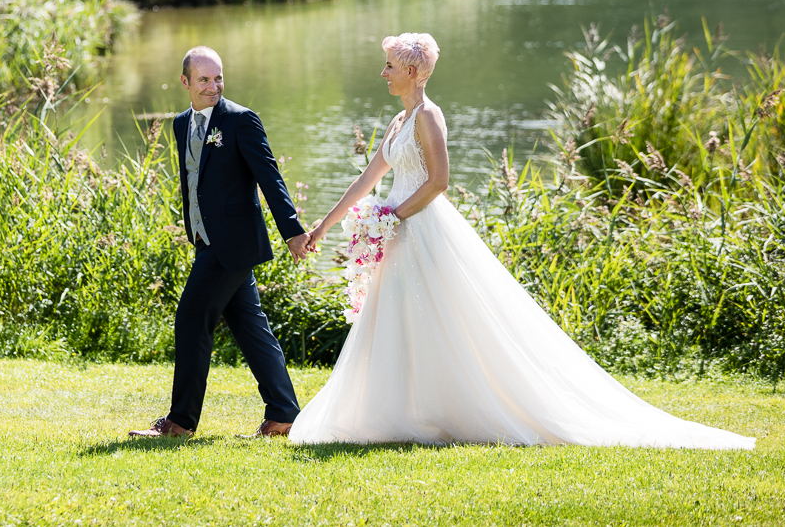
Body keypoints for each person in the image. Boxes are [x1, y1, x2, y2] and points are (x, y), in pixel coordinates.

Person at [289, 33, 755, 449]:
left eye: (390, 65)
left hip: (421, 227)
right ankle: (402, 411)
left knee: (445, 317)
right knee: (396, 317)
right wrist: (324, 227)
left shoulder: (429, 117)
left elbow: (438, 182)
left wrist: (394, 216)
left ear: (412, 71)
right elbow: (368, 179)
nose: (383, 72)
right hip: (396, 231)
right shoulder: (398, 120)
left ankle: (454, 409)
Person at [129, 46, 311, 439]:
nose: (213, 87)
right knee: (250, 326)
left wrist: (292, 230)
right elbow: (194, 181)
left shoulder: (240, 120)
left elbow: (270, 177)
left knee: (191, 320)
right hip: (207, 242)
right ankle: (283, 413)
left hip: (234, 243)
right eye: (204, 80)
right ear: (185, 83)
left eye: (218, 78)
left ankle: (180, 423)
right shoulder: (181, 124)